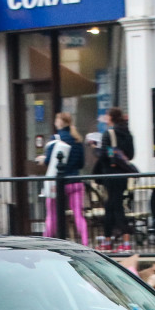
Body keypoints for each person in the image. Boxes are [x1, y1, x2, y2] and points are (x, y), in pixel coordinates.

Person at [39, 111, 88, 245]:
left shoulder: (55, 139)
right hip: (76, 182)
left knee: (52, 214)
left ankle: (47, 243)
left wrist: (43, 160)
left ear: (59, 122)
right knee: (78, 214)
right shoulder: (77, 140)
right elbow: (81, 163)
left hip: (58, 184)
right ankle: (85, 242)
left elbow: (49, 161)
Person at [94, 107, 134, 252]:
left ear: (111, 118)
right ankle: (108, 240)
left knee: (115, 207)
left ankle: (125, 240)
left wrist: (96, 148)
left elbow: (104, 154)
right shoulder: (128, 134)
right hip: (122, 175)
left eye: (107, 116)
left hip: (110, 174)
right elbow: (130, 155)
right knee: (111, 207)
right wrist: (118, 155)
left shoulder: (108, 133)